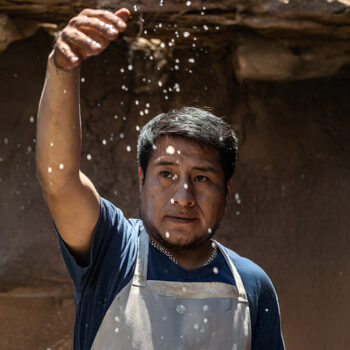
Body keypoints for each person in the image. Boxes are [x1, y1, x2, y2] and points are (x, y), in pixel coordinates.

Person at [36, 7, 285, 350]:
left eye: (202, 178)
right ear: (141, 179)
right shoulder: (113, 251)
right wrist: (61, 69)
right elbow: (59, 180)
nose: (184, 195)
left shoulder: (252, 286)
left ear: (227, 190)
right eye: (166, 173)